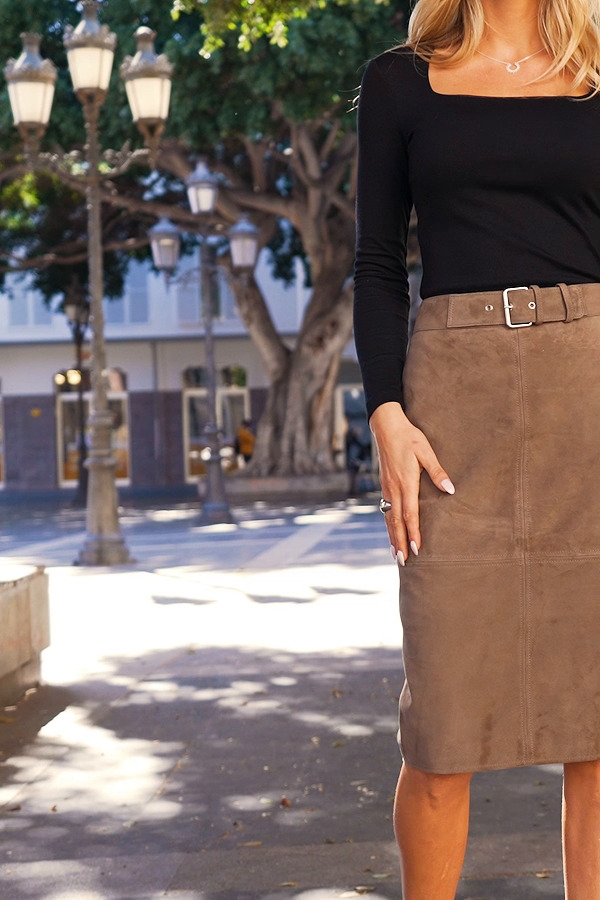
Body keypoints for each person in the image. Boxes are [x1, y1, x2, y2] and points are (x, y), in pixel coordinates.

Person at [353, 0, 600, 896]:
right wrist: (387, 411)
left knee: (597, 722)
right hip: (453, 407)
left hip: (591, 397)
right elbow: (378, 259)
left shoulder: (598, 70)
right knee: (443, 730)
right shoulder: (399, 81)